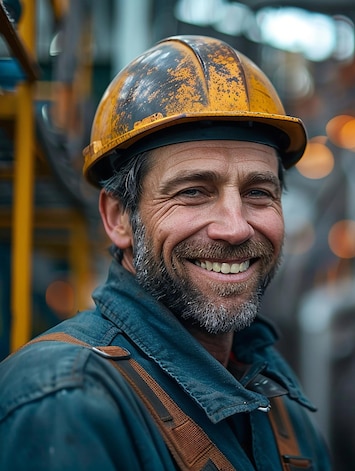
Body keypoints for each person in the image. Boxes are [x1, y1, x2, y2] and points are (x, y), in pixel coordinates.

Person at [0, 35, 332, 470]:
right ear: (119, 217)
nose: (234, 227)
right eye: (194, 191)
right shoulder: (66, 402)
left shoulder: (279, 409)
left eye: (258, 193)